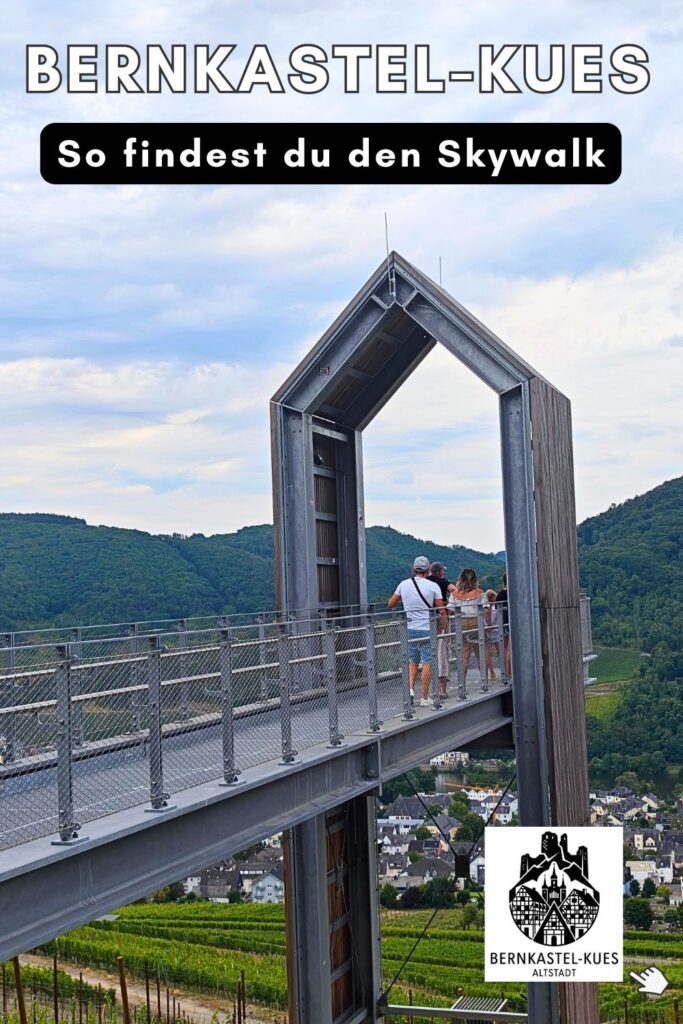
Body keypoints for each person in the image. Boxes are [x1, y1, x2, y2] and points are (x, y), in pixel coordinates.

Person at [388, 556, 447, 706]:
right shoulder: (433, 586)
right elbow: (441, 611)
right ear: (428, 570)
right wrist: (445, 627)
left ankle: (410, 690)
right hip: (427, 628)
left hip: (410, 628)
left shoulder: (403, 584)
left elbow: (391, 604)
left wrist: (406, 599)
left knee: (412, 661)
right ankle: (425, 697)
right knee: (427, 661)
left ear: (414, 569)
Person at [447, 568, 490, 680]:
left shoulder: (455, 594)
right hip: (477, 623)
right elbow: (486, 610)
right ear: (475, 579)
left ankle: (462, 684)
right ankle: (484, 682)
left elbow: (450, 609)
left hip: (461, 623)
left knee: (464, 654)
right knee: (480, 653)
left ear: (460, 579)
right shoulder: (480, 593)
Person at [428, 562, 452, 697]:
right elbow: (454, 590)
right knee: (442, 655)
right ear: (440, 571)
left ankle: (426, 692)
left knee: (427, 657)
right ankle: (442, 691)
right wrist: (449, 603)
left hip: (425, 622)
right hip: (441, 619)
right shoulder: (443, 582)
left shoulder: (424, 582)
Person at [495, 572, 511, 680]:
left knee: (506, 649)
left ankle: (506, 672)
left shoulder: (499, 595)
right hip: (512, 624)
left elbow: (497, 609)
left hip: (503, 624)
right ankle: (510, 672)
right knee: (510, 649)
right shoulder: (514, 593)